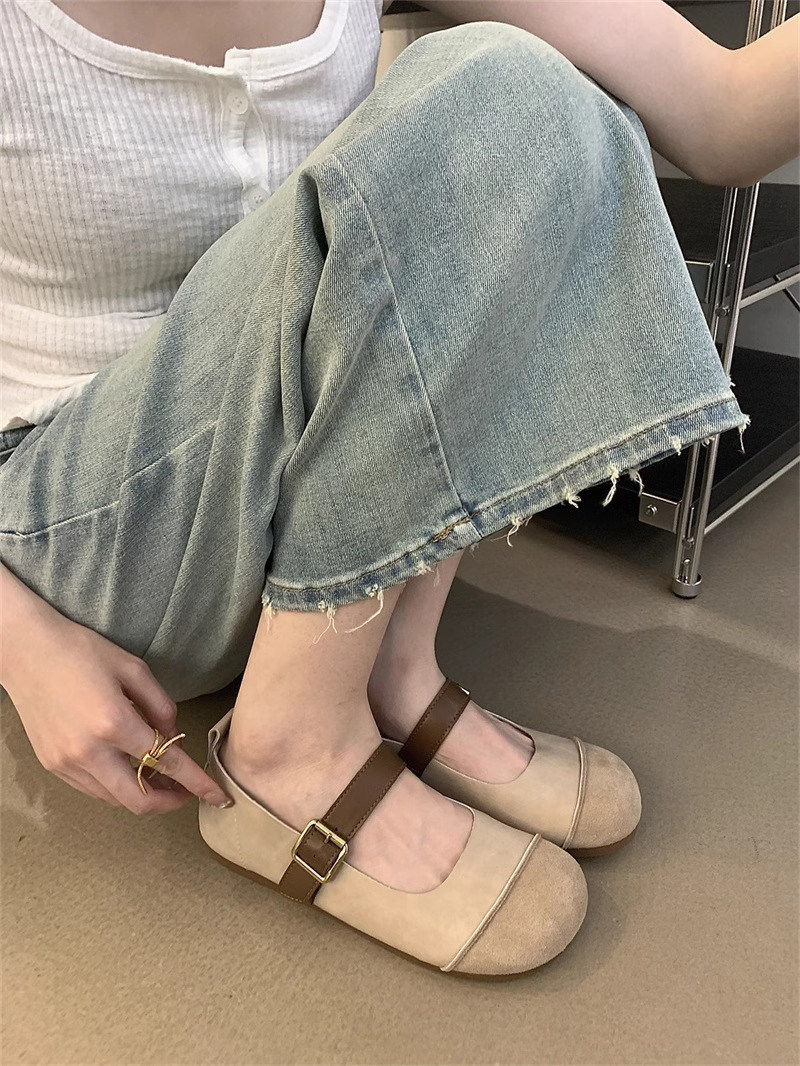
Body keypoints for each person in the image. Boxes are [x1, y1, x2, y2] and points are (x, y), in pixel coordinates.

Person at [0, 0, 796, 977]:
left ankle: (386, 669)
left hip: (283, 531)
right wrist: (19, 640)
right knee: (502, 88)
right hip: (86, 553)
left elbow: (720, 113)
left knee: (559, 92)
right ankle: (289, 756)